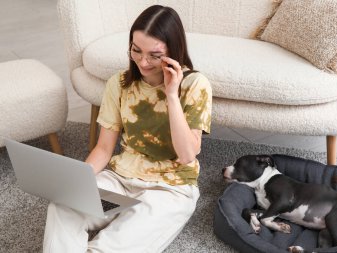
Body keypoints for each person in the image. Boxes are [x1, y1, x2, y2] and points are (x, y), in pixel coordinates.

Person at [43, 4, 212, 253]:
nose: (143, 62)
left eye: (154, 55)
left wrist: (172, 95)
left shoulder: (196, 84)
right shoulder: (119, 84)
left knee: (109, 247)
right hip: (120, 181)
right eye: (136, 50)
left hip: (169, 190)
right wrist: (77, 184)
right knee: (63, 207)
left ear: (173, 51)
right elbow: (103, 148)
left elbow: (187, 154)